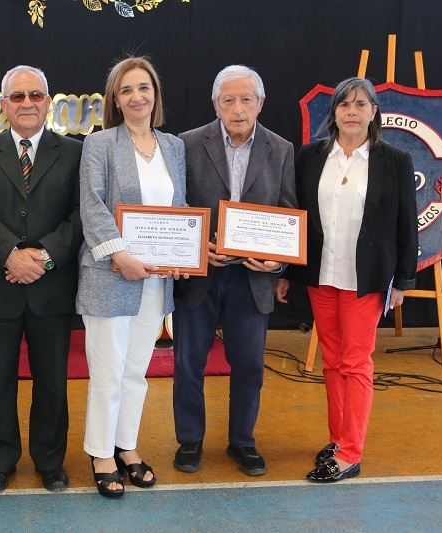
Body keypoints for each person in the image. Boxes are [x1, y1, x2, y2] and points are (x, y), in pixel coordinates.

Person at [276, 77, 417, 482]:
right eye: (344, 105)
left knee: (355, 364)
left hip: (365, 280)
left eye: (360, 104)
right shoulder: (311, 156)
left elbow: (408, 224)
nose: (351, 111)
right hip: (322, 276)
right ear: (334, 112)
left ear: (374, 112)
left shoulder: (395, 160)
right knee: (333, 362)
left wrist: (403, 280)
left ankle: (351, 453)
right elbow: (297, 218)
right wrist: (287, 272)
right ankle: (338, 439)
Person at [0, 65, 83, 493]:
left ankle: (50, 461)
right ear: (3, 104)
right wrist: (11, 255)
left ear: (48, 102)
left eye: (35, 95)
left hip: (52, 288)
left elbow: (81, 215)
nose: (27, 103)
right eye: (17, 96)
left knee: (52, 382)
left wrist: (44, 258)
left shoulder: (75, 152)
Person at [172, 65, 296, 476]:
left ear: (260, 103)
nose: (238, 108)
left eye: (246, 100)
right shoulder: (186, 144)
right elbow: (176, 206)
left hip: (253, 278)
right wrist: (195, 247)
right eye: (229, 100)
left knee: (250, 365)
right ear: (215, 104)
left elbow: (288, 212)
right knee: (189, 361)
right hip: (200, 275)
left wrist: (278, 262)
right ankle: (190, 440)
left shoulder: (281, 149)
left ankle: (242, 441)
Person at [78, 56, 187, 498]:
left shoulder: (174, 146)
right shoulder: (100, 144)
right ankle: (101, 453)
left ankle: (127, 446)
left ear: (155, 94)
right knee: (107, 373)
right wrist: (121, 256)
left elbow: (180, 211)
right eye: (126, 90)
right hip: (110, 274)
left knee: (136, 372)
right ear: (116, 101)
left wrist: (185, 253)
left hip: (157, 280)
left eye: (144, 87)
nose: (137, 96)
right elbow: (92, 206)